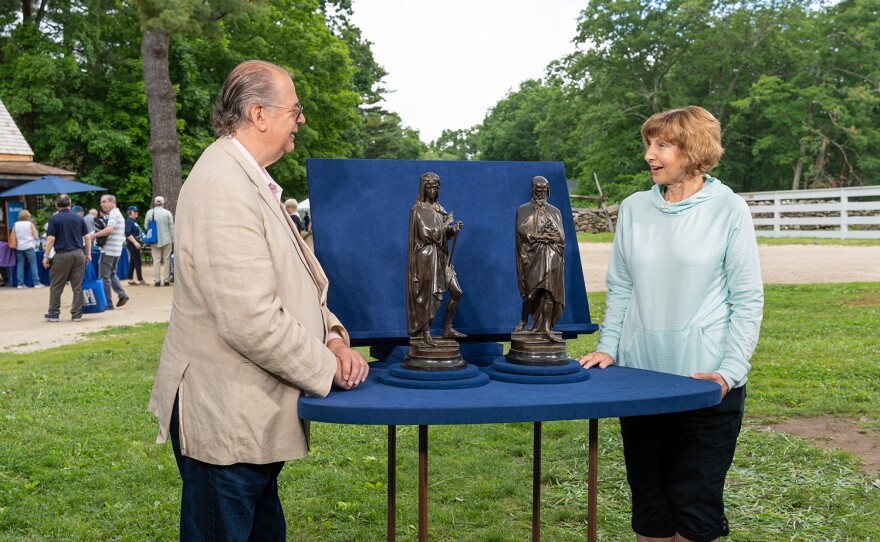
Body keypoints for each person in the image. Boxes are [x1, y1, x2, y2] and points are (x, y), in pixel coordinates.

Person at [147, 59, 369, 541]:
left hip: (246, 419)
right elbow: (249, 318)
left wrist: (331, 337)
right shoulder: (224, 186)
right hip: (225, 420)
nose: (301, 119)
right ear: (259, 114)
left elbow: (294, 285)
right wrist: (329, 367)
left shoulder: (245, 177)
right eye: (295, 109)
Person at [578, 105, 763, 542]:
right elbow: (620, 287)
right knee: (650, 505)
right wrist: (609, 347)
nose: (649, 155)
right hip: (642, 381)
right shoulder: (635, 208)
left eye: (661, 145)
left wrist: (729, 372)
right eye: (648, 144)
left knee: (695, 508)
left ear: (692, 150)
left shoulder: (728, 209)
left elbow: (747, 298)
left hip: (704, 382)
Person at [406, 171, 466, 345]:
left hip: (441, 257)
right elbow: (426, 234)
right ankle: (425, 332)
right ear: (423, 189)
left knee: (457, 292)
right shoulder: (417, 210)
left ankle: (447, 328)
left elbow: (441, 234)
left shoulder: (439, 209)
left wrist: (452, 230)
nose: (432, 191)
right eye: (428, 187)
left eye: (435, 187)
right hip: (426, 258)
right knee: (428, 296)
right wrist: (445, 225)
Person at [513, 176, 565, 342]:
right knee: (531, 294)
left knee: (549, 293)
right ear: (533, 191)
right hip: (533, 256)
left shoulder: (555, 211)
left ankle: (547, 328)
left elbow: (561, 236)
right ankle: (523, 320)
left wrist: (551, 238)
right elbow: (522, 232)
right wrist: (539, 237)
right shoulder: (523, 209)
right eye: (538, 190)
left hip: (552, 256)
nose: (541, 194)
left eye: (544, 190)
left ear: (548, 191)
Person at [42, 194, 91, 322]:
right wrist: (88, 254)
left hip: (62, 255)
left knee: (56, 285)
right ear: (70, 203)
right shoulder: (79, 218)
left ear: (57, 205)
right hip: (78, 253)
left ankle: (53, 313)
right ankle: (76, 314)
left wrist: (46, 256)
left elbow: (51, 239)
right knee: (77, 285)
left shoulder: (54, 219)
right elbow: (87, 237)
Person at [94, 194, 130, 309]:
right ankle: (122, 294)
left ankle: (108, 303)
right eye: (101, 202)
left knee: (104, 276)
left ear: (112, 202)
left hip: (108, 250)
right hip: (116, 250)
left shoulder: (113, 214)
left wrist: (94, 236)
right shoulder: (118, 214)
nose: (102, 204)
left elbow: (109, 229)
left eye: (104, 202)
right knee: (112, 273)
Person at [144, 195, 174, 286]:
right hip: (166, 238)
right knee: (167, 259)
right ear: (163, 203)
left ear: (154, 203)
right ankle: (166, 279)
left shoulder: (150, 213)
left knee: (156, 260)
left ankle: (157, 280)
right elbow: (171, 228)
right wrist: (173, 239)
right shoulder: (167, 213)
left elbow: (146, 226)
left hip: (154, 239)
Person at [11, 209, 44, 289]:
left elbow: (12, 235)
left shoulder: (16, 224)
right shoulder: (30, 224)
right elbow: (35, 237)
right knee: (33, 264)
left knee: (20, 264)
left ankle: (20, 284)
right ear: (28, 216)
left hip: (19, 247)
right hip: (29, 246)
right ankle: (36, 283)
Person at [125, 205, 146, 285]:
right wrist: (135, 242)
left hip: (135, 244)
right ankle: (140, 279)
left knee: (133, 262)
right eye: (134, 211)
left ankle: (130, 279)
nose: (136, 213)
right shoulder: (128, 221)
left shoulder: (133, 221)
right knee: (138, 262)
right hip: (132, 244)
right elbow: (127, 233)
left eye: (137, 211)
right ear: (130, 212)